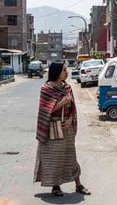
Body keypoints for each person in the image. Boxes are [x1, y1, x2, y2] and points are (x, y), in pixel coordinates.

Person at [34, 62, 91, 197]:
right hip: (53, 129)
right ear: (56, 72)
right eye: (64, 70)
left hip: (67, 128)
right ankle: (55, 186)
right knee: (55, 159)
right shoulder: (46, 88)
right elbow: (46, 110)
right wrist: (62, 102)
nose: (67, 72)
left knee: (71, 157)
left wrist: (71, 119)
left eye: (66, 70)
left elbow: (72, 108)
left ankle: (78, 184)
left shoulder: (67, 88)